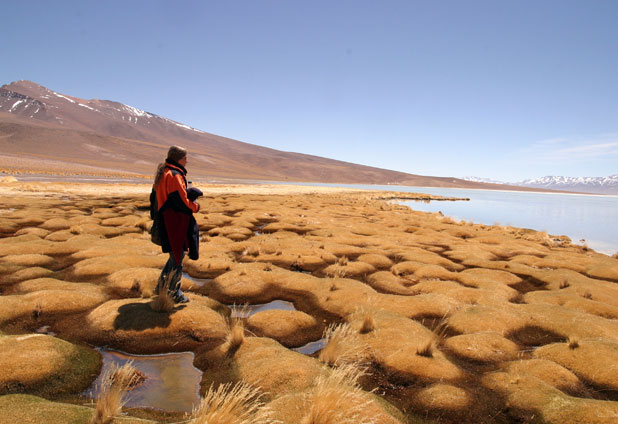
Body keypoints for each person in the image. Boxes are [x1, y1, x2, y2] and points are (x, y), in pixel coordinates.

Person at [151, 146, 200, 303]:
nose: (187, 160)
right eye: (185, 158)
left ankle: (162, 288)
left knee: (175, 255)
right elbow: (180, 200)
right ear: (179, 159)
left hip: (165, 219)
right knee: (178, 256)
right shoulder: (174, 175)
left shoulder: (164, 173)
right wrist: (195, 207)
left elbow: (154, 198)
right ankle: (173, 293)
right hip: (174, 221)